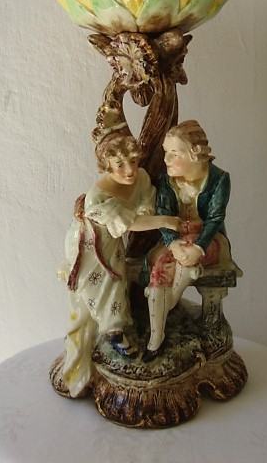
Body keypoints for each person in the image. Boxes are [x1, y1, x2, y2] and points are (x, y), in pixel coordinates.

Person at [59, 129, 180, 397]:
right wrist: (165, 220)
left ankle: (115, 330)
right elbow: (131, 223)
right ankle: (112, 335)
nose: (129, 170)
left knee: (116, 282)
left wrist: (154, 212)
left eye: (133, 161)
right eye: (119, 165)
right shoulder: (98, 196)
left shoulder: (141, 177)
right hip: (89, 245)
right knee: (102, 287)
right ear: (106, 166)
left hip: (111, 244)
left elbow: (146, 203)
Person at [143, 120, 242, 361]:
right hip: (176, 239)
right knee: (160, 266)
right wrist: (172, 242)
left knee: (187, 260)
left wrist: (199, 247)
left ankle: (167, 304)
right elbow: (163, 214)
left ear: (195, 154)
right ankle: (155, 338)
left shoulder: (219, 179)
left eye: (174, 154)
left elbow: (215, 219)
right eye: (166, 152)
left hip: (209, 240)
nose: (166, 159)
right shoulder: (166, 180)